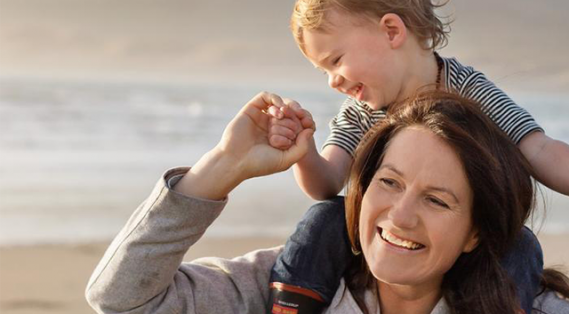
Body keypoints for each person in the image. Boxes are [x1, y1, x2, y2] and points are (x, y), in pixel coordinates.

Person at [85, 91, 569, 314]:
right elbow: (123, 298)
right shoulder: (287, 286)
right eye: (390, 182)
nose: (399, 216)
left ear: (476, 233)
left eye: (438, 201)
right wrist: (222, 166)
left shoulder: (533, 306)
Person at [265, 0, 569, 312]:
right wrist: (303, 152)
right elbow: (326, 184)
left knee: (520, 244)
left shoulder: (469, 91)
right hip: (384, 236)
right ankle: (290, 304)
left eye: (336, 60)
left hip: (462, 238)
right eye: (323, 70)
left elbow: (539, 149)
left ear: (392, 31)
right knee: (324, 218)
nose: (332, 81)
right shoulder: (358, 113)